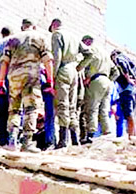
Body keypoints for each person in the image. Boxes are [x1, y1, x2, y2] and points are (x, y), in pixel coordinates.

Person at [0, 19, 54, 152]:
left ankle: (12, 140)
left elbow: (4, 62)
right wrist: (50, 80)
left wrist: (1, 82)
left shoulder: (12, 39)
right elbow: (48, 60)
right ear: (34, 27)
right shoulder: (40, 37)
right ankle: (27, 142)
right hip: (30, 76)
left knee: (14, 109)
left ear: (22, 27)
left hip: (14, 77)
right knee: (31, 108)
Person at [49, 18, 81, 148]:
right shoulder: (74, 37)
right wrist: (79, 67)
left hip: (63, 70)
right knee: (72, 106)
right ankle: (75, 139)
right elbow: (89, 53)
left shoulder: (57, 34)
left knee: (62, 105)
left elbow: (57, 57)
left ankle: (63, 140)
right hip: (74, 71)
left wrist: (52, 77)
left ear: (53, 26)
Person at [77, 35, 111, 143]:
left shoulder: (92, 50)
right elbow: (116, 71)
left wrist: (88, 75)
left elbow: (91, 59)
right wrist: (109, 79)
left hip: (95, 81)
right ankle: (107, 132)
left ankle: (90, 135)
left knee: (92, 109)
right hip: (107, 81)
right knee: (103, 110)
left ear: (87, 42)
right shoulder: (105, 53)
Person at [110, 49, 136, 137]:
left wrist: (128, 78)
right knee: (130, 114)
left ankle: (131, 137)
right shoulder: (133, 64)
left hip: (126, 90)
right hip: (134, 91)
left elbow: (121, 63)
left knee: (128, 115)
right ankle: (132, 136)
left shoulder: (119, 57)